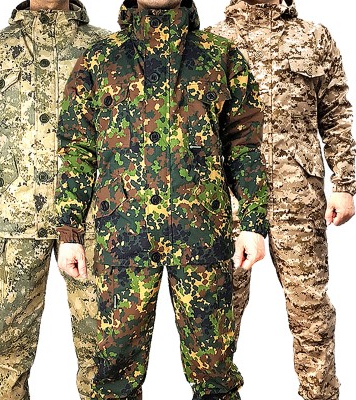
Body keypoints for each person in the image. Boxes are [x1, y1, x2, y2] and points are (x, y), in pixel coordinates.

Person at [55, 0, 269, 398]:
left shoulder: (220, 57)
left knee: (216, 377)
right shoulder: (99, 60)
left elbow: (245, 147)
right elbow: (76, 151)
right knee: (114, 379)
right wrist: (69, 231)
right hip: (122, 240)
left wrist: (254, 224)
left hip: (203, 237)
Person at [0, 1, 109, 398]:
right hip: (17, 219)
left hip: (93, 223)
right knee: (8, 354)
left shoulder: (103, 48)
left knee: (105, 354)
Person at [210, 1, 355, 399]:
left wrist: (345, 182)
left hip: (299, 197)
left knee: (311, 311)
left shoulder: (313, 36)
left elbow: (336, 113)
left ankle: (320, 395)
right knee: (218, 313)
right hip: (230, 199)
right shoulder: (213, 41)